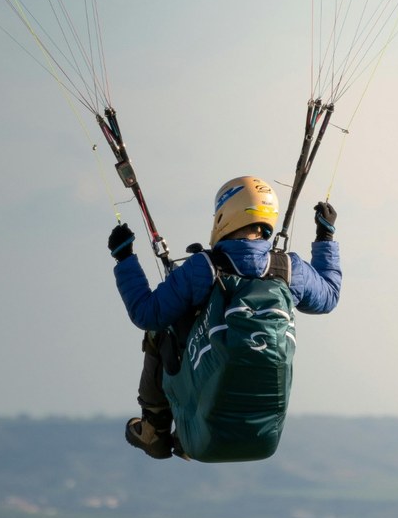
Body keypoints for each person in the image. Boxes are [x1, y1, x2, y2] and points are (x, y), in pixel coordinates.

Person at [107, 175, 342, 459]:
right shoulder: (290, 269)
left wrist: (125, 258)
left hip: (201, 388)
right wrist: (325, 236)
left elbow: (147, 314)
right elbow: (328, 297)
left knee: (160, 331)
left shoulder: (202, 269)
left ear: (224, 215)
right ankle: (189, 427)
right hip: (263, 440)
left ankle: (155, 428)